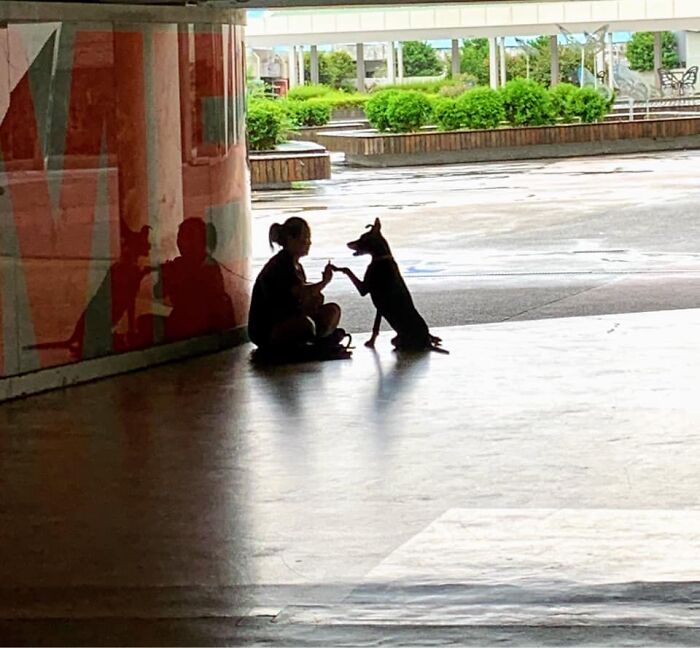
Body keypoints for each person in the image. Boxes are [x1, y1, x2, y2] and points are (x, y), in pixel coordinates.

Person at [248, 217, 350, 361]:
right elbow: (301, 291)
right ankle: (314, 342)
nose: (308, 243)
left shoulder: (296, 266)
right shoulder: (280, 265)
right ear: (290, 239)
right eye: (305, 238)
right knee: (306, 325)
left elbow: (303, 296)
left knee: (332, 311)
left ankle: (316, 341)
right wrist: (324, 282)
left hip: (288, 318)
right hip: (269, 328)